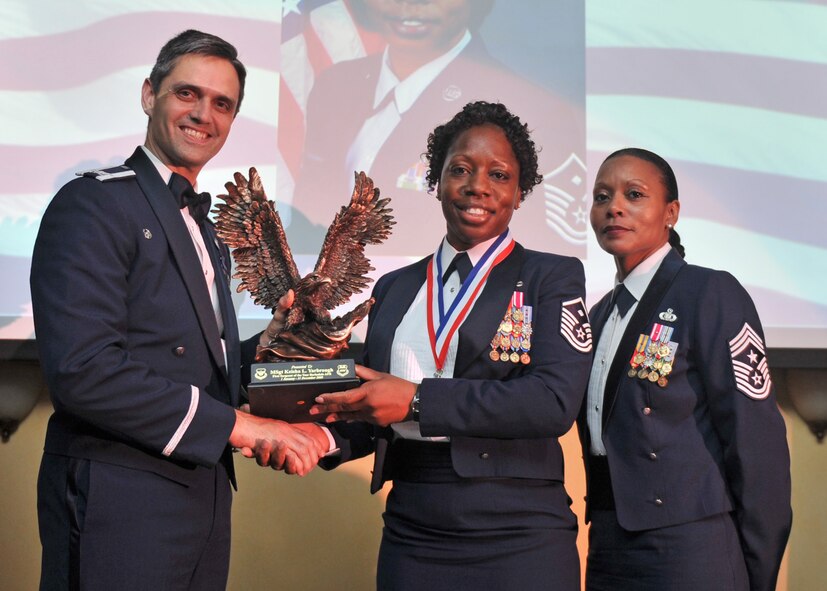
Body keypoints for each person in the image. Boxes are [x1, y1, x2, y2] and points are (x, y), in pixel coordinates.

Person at [30, 30, 325, 591]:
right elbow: (83, 371)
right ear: (149, 95)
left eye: (222, 104)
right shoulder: (94, 203)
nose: (203, 115)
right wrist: (242, 426)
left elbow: (188, 365)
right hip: (119, 498)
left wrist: (265, 348)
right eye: (187, 93)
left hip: (201, 496)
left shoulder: (204, 228)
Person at [308, 101, 592, 590]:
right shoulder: (395, 287)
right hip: (413, 527)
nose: (477, 186)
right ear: (436, 181)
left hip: (520, 529)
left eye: (499, 175)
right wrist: (322, 437)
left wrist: (418, 401)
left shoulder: (551, 277)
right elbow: (373, 402)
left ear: (519, 192)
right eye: (460, 169)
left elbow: (552, 402)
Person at [578, 147, 792, 591]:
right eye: (602, 197)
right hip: (608, 543)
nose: (614, 207)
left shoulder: (709, 292)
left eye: (634, 194)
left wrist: (758, 568)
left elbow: (756, 441)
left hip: (691, 546)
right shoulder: (598, 315)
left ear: (671, 213)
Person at [291, 0, 585, 257]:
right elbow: (310, 209)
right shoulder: (336, 85)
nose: (410, 3)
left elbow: (548, 255)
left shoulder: (537, 108)